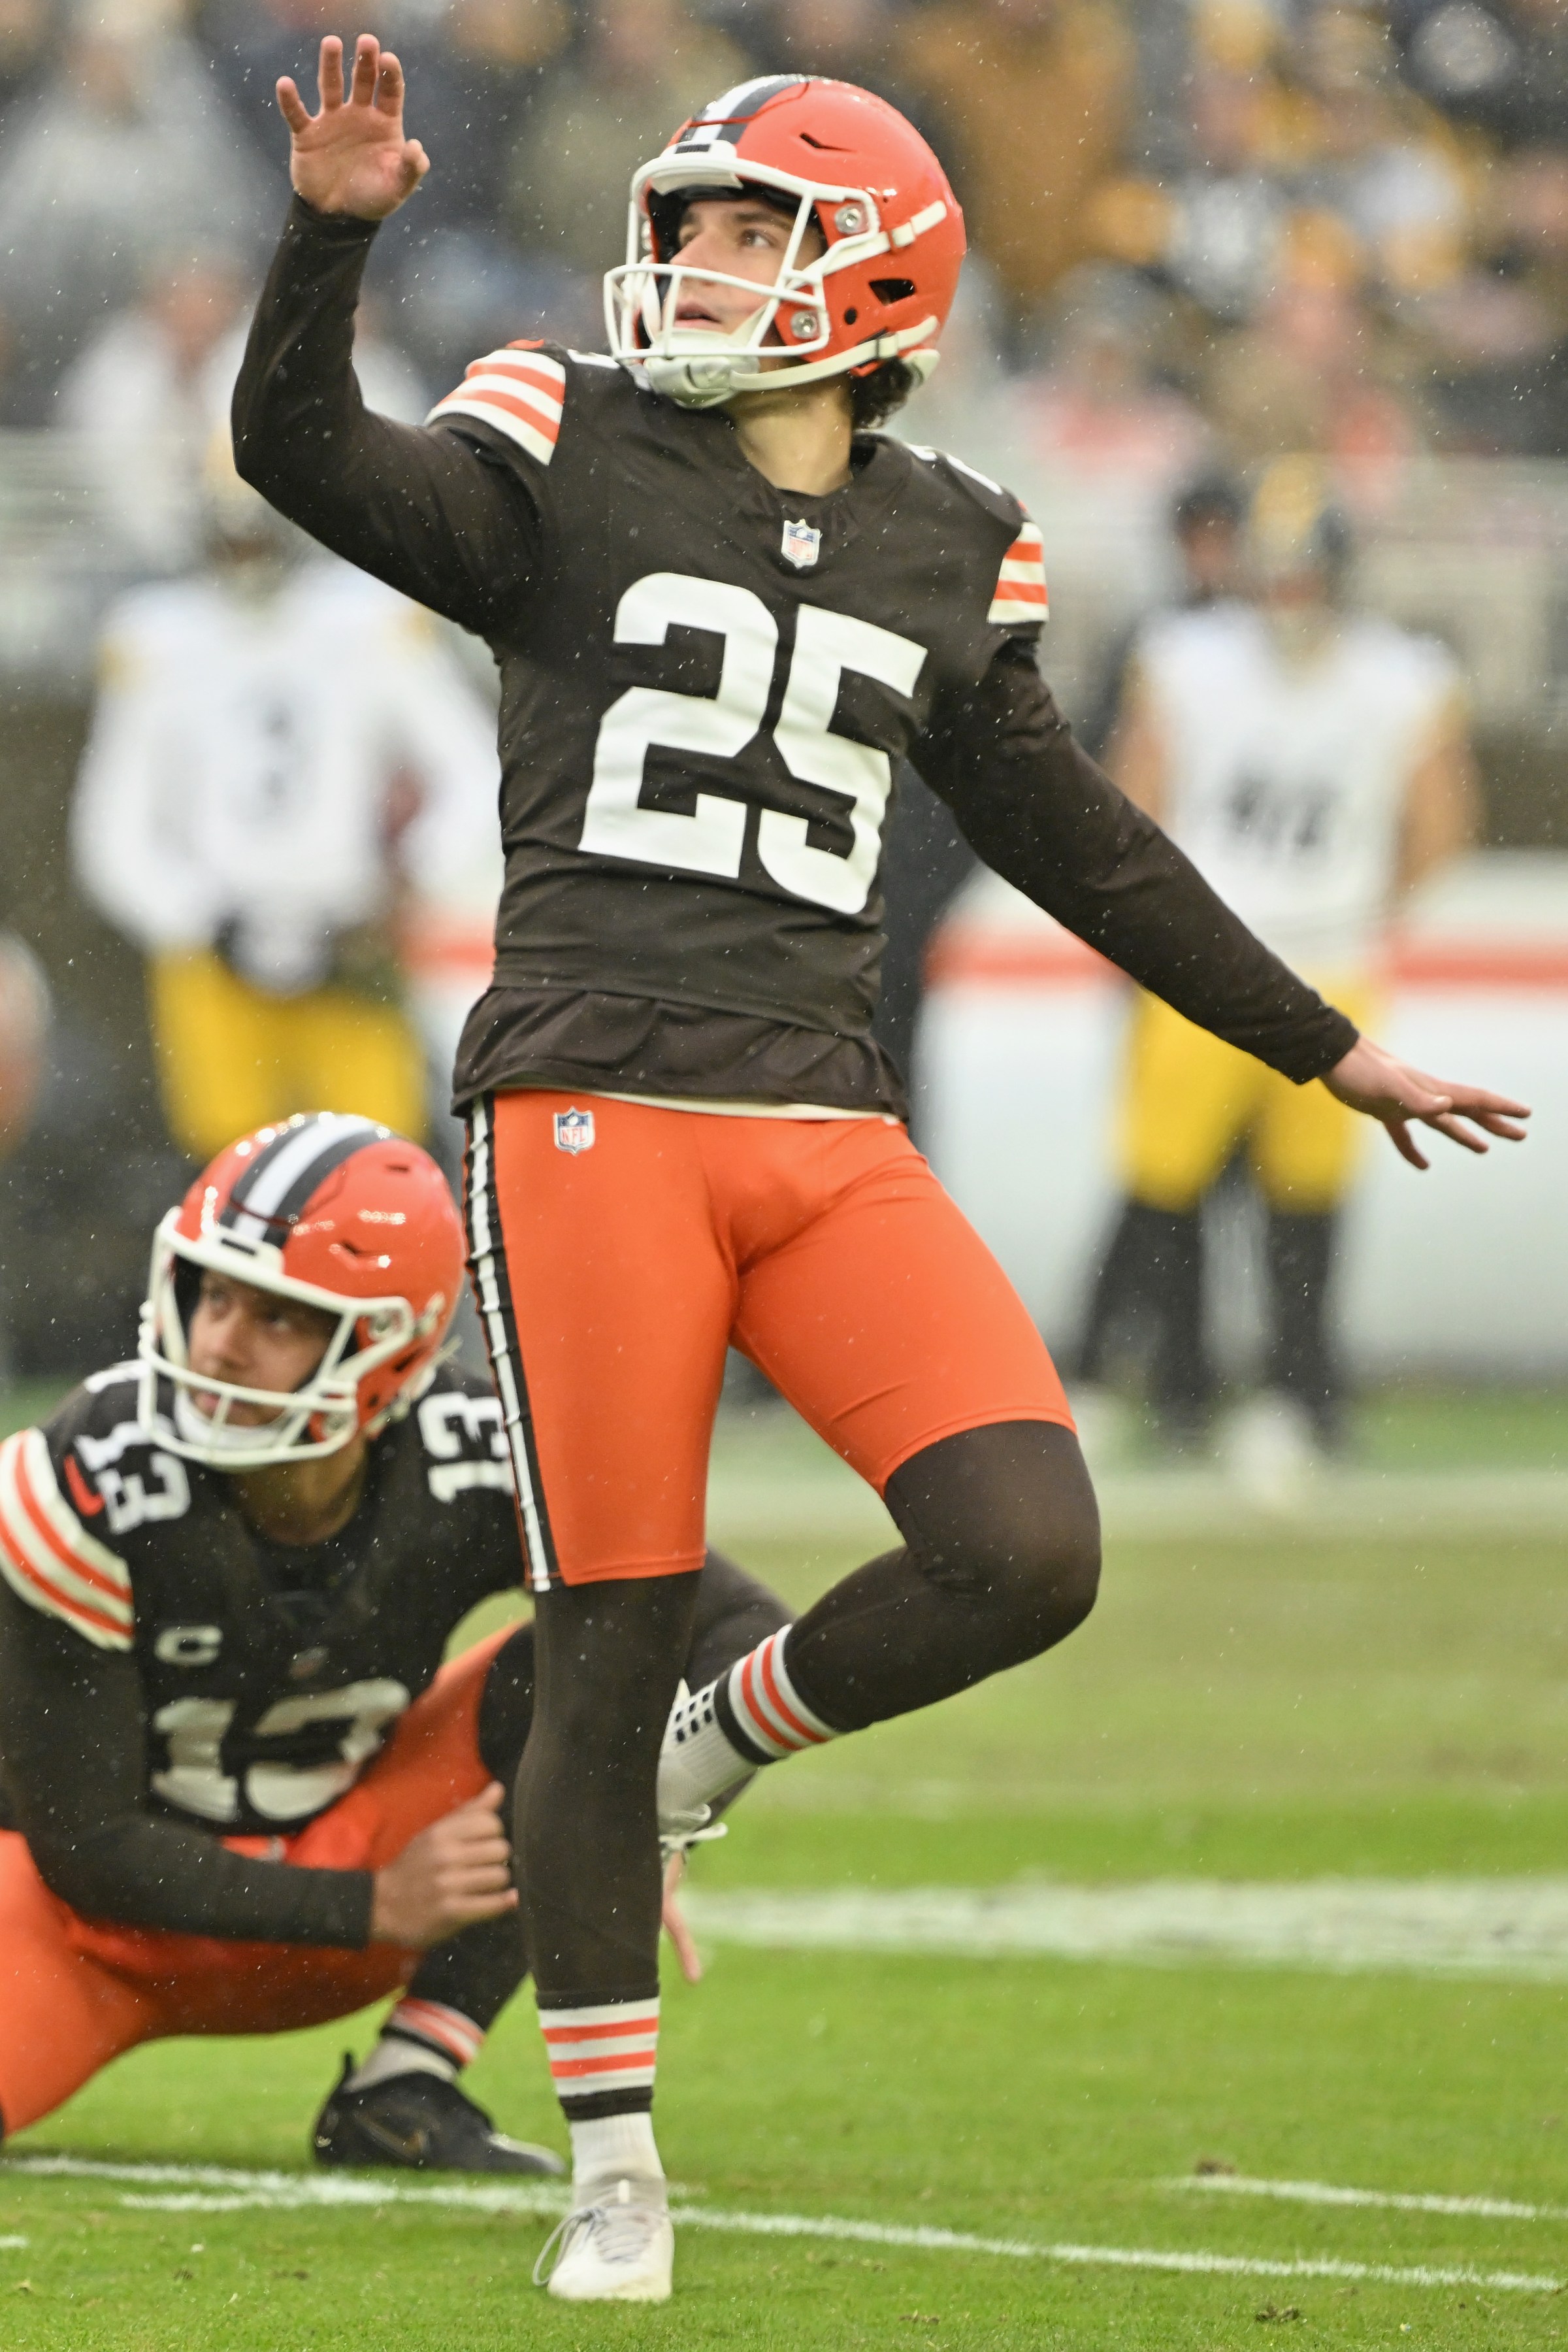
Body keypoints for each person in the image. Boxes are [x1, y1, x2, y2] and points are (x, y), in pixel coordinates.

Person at [231, 43, 1526, 2300]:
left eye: (749, 228)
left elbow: (1081, 840)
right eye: (689, 221)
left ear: (878, 271)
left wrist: (1319, 1040)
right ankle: (614, 2151)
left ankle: (739, 1736)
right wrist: (329, 239)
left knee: (1026, 1538)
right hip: (592, 1102)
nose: (694, 261)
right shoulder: (567, 436)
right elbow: (305, 452)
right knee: (605, 1621)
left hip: (821, 1113)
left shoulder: (953, 532)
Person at [0, 1111, 786, 2169]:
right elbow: (90, 1848)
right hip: (84, 1931)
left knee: (598, 1661)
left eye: (279, 1315)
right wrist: (372, 1899)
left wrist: (655, 1807)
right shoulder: (88, 1477)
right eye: (213, 1291)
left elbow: (738, 1631)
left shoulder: (479, 1456)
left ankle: (410, 2075)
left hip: (369, 1874)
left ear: (388, 1347)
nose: (220, 1339)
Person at [1077, 458, 1479, 1465]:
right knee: (1163, 1186)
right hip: (1213, 960)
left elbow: (1441, 821)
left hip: (1316, 957)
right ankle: (1187, 1390)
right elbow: (1137, 803)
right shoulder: (1186, 657)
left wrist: (1359, 908)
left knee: (1304, 1198)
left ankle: (1294, 1392)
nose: (1290, 591)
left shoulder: (1400, 678)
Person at [71, 452, 500, 1165]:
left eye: (257, 528)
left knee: (372, 1172)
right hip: (214, 957)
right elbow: (112, 833)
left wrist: (404, 884)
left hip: (352, 941)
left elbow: (474, 773)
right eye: (230, 530)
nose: (244, 548)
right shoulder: (157, 636)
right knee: (229, 1189)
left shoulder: (366, 618)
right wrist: (205, 919)